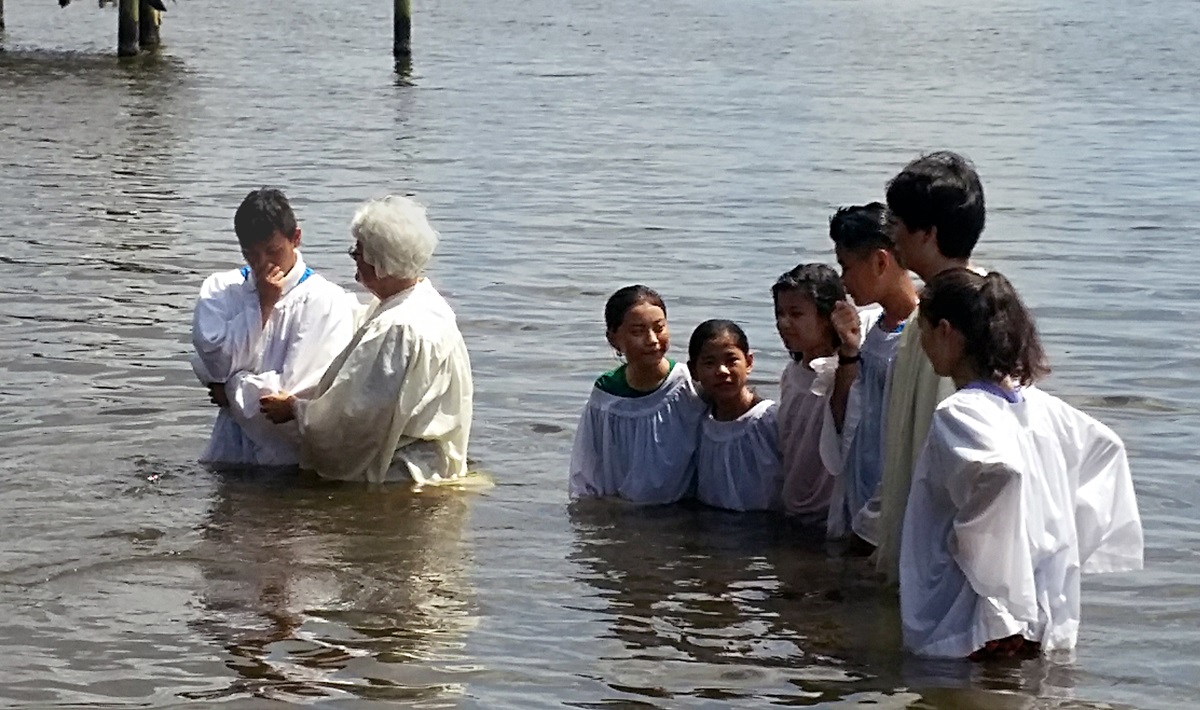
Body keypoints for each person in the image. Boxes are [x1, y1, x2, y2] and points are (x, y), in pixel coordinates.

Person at [900, 268, 1143, 660]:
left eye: (924, 331)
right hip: (1042, 603)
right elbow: (1107, 448)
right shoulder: (1043, 407)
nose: (923, 345)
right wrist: (1055, 545)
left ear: (945, 331)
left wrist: (978, 551)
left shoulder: (959, 412)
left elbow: (1001, 473)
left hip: (977, 613)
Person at [258, 195, 473, 485]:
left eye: (358, 252)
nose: (353, 258)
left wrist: (296, 410)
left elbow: (358, 417)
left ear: (380, 262)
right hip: (434, 465)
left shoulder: (397, 328)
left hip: (402, 475)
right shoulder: (428, 304)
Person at [873, 151, 985, 585]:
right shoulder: (926, 308)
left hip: (947, 547)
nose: (893, 236)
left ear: (929, 234)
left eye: (899, 225)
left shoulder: (968, 312)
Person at [191, 187, 356, 467]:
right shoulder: (218, 289)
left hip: (286, 461)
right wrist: (262, 306)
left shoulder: (325, 301)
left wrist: (230, 390)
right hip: (227, 452)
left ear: (296, 239)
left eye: (273, 251)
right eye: (251, 255)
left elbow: (295, 395)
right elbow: (215, 362)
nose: (263, 264)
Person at [825, 203, 920, 543]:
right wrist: (849, 352)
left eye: (846, 267)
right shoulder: (865, 327)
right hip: (858, 488)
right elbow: (841, 418)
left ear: (880, 262)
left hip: (898, 499)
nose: (843, 281)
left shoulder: (925, 336)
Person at [568, 285, 706, 504]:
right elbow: (587, 469)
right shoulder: (607, 394)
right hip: (623, 515)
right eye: (638, 331)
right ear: (613, 338)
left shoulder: (690, 387)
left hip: (682, 515)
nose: (652, 340)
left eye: (659, 328)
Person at [770, 264, 847, 525]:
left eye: (796, 314)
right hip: (792, 506)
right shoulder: (791, 373)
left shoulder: (842, 374)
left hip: (829, 514)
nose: (784, 323)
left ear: (828, 317)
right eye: (779, 313)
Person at [689, 319, 781, 512]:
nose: (722, 371)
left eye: (731, 361)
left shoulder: (769, 419)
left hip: (764, 528)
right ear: (693, 370)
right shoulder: (701, 424)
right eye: (709, 363)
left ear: (748, 362)